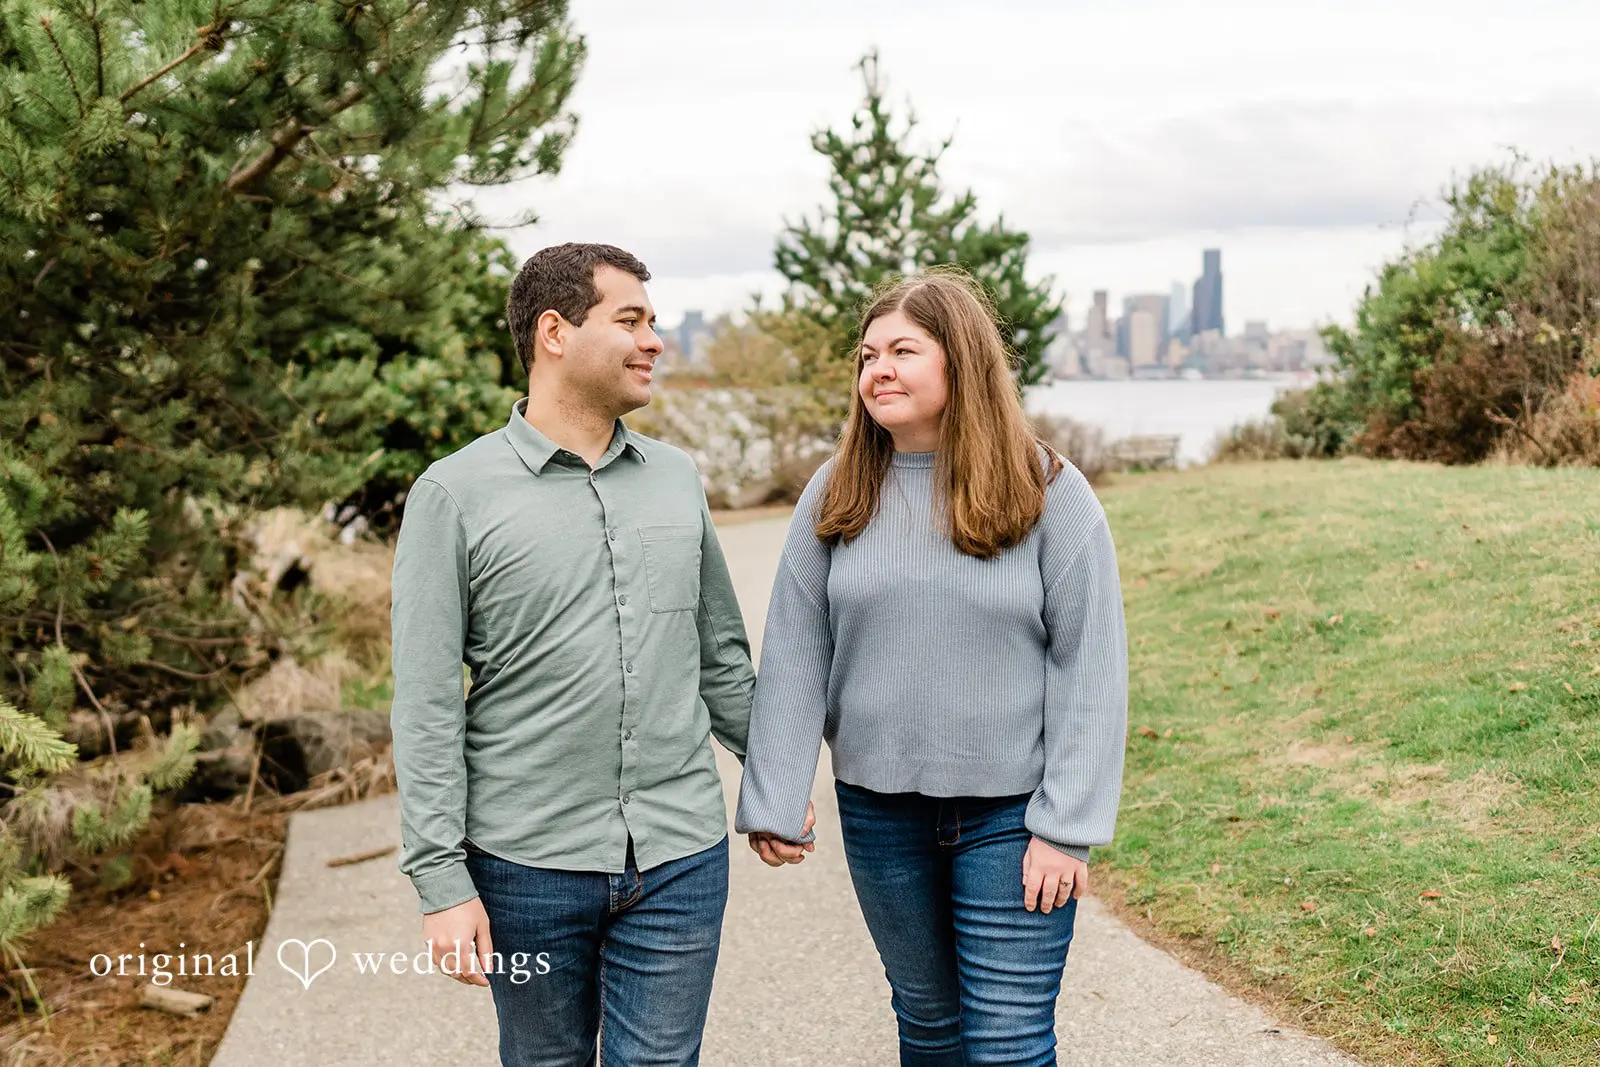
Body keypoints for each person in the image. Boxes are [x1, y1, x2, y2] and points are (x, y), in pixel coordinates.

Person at [390, 242, 791, 1066]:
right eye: (631, 319)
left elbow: (719, 651)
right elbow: (426, 703)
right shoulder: (452, 496)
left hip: (680, 854)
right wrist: (442, 882)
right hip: (525, 865)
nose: (655, 340)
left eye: (654, 321)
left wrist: (776, 779)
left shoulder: (677, 479)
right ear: (554, 332)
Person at [734, 268, 1129, 1067]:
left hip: (1013, 819)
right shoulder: (835, 493)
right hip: (881, 817)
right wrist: (774, 794)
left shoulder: (1050, 491)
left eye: (903, 350)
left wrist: (1067, 828)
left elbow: (1090, 664)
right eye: (868, 353)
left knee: (1009, 1045)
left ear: (961, 363)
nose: (877, 368)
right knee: (929, 1027)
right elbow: (796, 651)